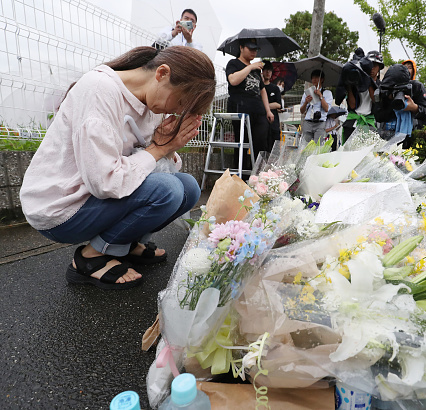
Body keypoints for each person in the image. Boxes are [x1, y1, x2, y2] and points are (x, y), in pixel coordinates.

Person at [19, 46, 216, 290]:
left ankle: (125, 244)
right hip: (60, 208)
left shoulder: (151, 103)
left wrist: (169, 146)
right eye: (181, 102)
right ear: (162, 73)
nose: (176, 111)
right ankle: (90, 258)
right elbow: (105, 181)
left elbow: (153, 164)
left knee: (188, 188)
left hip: (93, 197)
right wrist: (157, 148)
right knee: (169, 190)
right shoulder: (99, 90)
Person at [225, 39, 274, 166]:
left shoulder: (257, 70)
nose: (254, 52)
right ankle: (239, 176)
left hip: (258, 110)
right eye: (250, 48)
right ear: (241, 48)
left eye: (255, 49)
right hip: (240, 108)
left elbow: (262, 90)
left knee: (261, 143)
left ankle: (258, 175)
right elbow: (233, 80)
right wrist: (250, 66)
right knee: (242, 142)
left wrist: (268, 110)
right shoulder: (233, 63)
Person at [374, 63, 426, 148]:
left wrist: (415, 108)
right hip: (386, 136)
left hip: (411, 137)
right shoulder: (384, 89)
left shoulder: (416, 87)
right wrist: (391, 101)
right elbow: (378, 116)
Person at [342, 50, 384, 142]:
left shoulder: (381, 86)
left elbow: (375, 101)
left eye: (375, 65)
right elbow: (352, 105)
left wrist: (369, 82)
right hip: (352, 122)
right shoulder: (355, 82)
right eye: (370, 64)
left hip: (369, 123)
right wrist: (349, 86)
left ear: (380, 67)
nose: (372, 68)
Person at [299, 70, 333, 143]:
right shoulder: (307, 93)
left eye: (317, 77)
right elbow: (302, 111)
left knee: (318, 146)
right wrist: (306, 102)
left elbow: (326, 109)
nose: (314, 80)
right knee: (306, 145)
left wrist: (320, 96)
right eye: (313, 78)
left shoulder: (327, 93)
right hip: (308, 121)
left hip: (320, 122)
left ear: (322, 79)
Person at [261, 61, 282, 150]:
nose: (268, 72)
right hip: (261, 121)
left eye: (270, 70)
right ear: (262, 71)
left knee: (274, 148)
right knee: (262, 146)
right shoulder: (258, 87)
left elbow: (278, 105)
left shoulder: (275, 88)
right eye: (266, 70)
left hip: (274, 122)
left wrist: (264, 105)